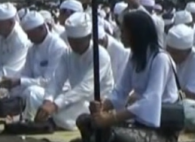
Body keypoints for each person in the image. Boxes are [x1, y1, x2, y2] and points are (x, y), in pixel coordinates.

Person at [76, 10, 181, 142]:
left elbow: (150, 101)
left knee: (115, 136)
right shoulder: (135, 57)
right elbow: (121, 90)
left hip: (162, 130)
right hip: (139, 122)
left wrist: (111, 118)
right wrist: (103, 106)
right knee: (85, 121)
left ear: (136, 33)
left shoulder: (160, 59)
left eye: (124, 31)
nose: (121, 35)